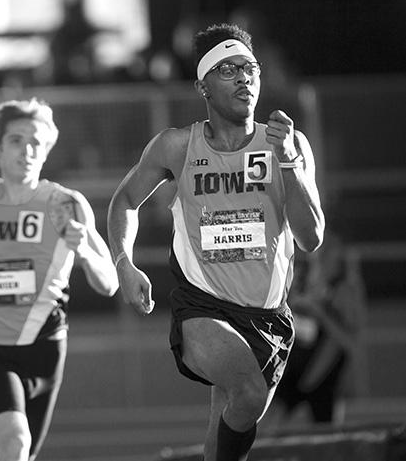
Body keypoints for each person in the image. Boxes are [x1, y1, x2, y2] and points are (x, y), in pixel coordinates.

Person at [107, 23, 325, 461]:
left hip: (267, 317)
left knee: (225, 431)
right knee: (248, 393)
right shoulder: (175, 146)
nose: (244, 78)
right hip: (201, 307)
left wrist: (288, 165)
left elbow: (311, 237)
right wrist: (123, 262)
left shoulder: (288, 144)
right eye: (229, 70)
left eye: (251, 68)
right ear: (202, 85)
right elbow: (125, 200)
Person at [0, 98, 118, 461]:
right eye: (16, 140)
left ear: (46, 150)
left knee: (15, 454)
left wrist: (86, 253)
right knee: (16, 445)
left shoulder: (67, 205)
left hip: (45, 350)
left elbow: (109, 284)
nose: (27, 150)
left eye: (36, 143)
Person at [267, 231, 365, 427]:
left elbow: (350, 342)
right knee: (270, 429)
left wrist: (319, 314)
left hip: (324, 375)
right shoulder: (301, 280)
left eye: (327, 254)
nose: (319, 258)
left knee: (328, 439)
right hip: (297, 368)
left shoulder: (344, 292)